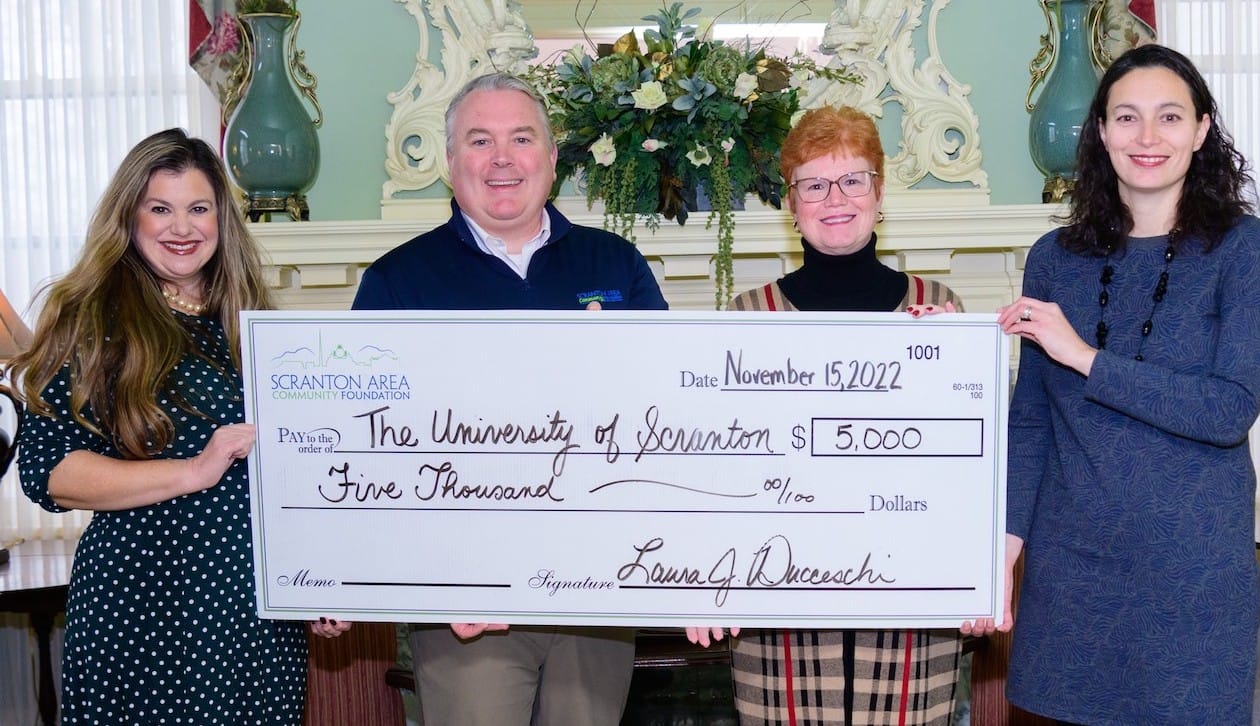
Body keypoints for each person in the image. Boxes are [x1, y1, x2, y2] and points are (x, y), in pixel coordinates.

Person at [968, 44, 1260, 724]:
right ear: (1101, 131)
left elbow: (1228, 409)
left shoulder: (1245, 248)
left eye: (1169, 117)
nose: (1147, 137)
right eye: (1127, 117)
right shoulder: (1054, 259)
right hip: (1070, 579)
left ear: (1201, 130)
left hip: (1192, 583)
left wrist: (1085, 357)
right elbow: (1031, 423)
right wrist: (1002, 555)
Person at [351, 72, 668, 726]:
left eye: (521, 138)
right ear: (450, 163)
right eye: (479, 140)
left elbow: (667, 425)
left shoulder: (620, 268)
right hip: (468, 605)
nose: (502, 158)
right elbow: (367, 453)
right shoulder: (394, 284)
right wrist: (432, 578)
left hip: (596, 594)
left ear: (551, 160)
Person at [8, 128, 348, 725]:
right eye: (159, 209)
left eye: (198, 208)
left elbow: (297, 473)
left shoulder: (254, 326)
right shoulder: (88, 319)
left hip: (252, 619)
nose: (181, 227)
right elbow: (50, 472)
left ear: (222, 219)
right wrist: (192, 471)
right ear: (129, 219)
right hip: (143, 607)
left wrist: (317, 578)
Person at [690, 105, 964, 726]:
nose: (833, 198)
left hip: (909, 600)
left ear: (879, 192)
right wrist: (700, 574)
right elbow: (713, 468)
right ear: (791, 203)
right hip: (776, 603)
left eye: (852, 179)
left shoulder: (939, 308)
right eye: (813, 183)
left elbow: (963, 474)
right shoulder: (745, 316)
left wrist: (948, 364)